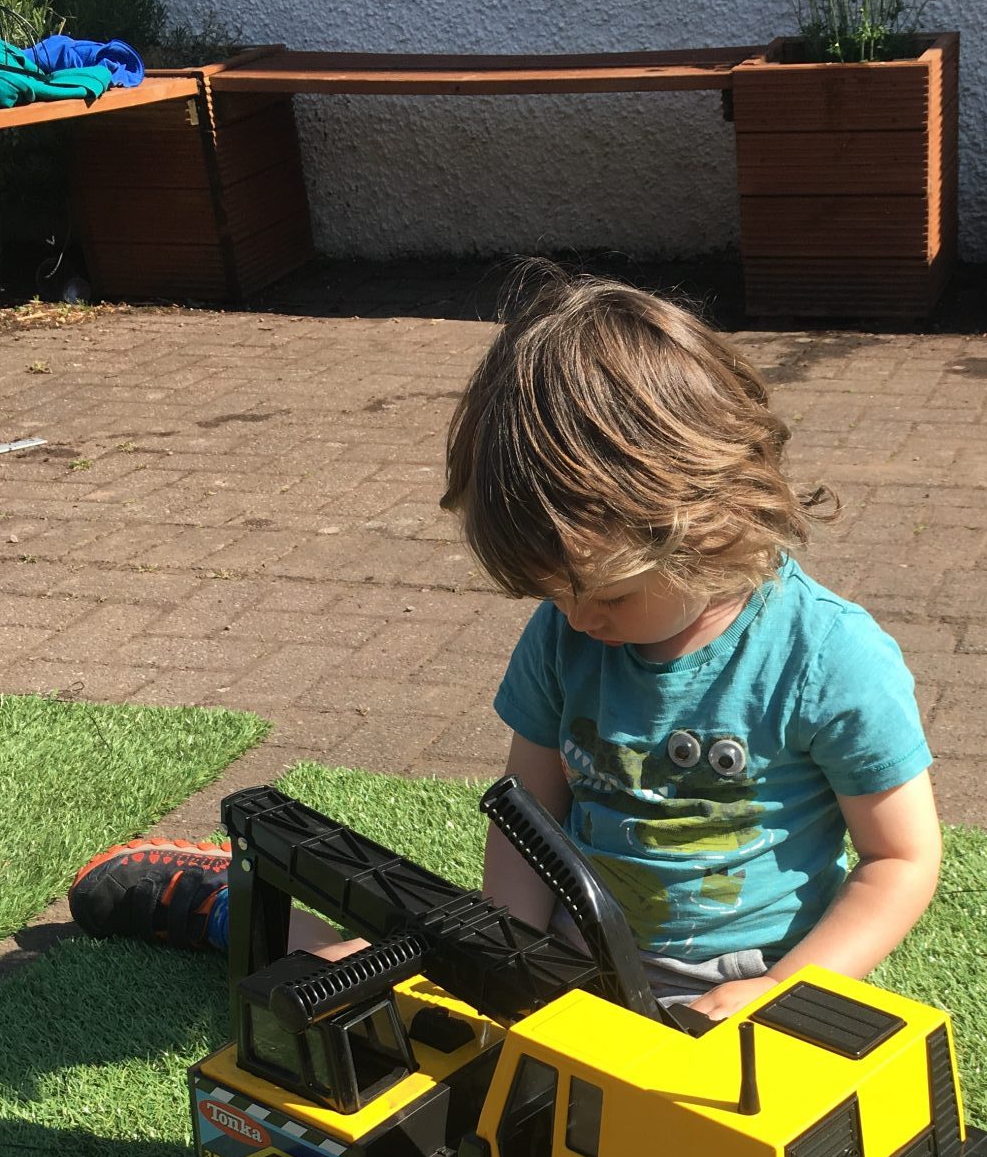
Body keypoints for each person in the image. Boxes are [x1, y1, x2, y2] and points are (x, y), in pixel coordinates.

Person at [69, 268, 941, 1019]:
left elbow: (899, 858)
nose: (576, 620)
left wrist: (786, 988)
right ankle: (230, 903)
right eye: (551, 595)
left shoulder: (828, 660)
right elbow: (529, 812)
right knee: (356, 1001)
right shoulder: (567, 636)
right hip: (571, 954)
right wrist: (505, 954)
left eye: (607, 595)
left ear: (712, 518)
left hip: (749, 985)